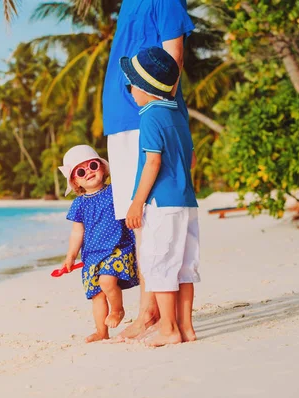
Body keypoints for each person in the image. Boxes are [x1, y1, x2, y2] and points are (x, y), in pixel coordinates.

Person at [102, 0, 195, 340]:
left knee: (148, 221)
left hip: (144, 115)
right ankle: (153, 313)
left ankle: (151, 314)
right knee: (139, 221)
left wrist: (163, 110)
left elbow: (174, 57)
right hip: (122, 119)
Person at [120, 46, 200, 346]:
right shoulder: (178, 115)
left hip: (161, 204)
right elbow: (190, 159)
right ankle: (186, 327)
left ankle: (169, 330)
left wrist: (136, 203)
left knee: (160, 266)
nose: (130, 90)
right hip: (186, 203)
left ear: (143, 88)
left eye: (131, 83)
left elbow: (152, 162)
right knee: (185, 268)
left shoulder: (150, 117)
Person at [59, 145, 139, 343]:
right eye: (81, 171)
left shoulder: (115, 192)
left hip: (118, 247)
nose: (89, 172)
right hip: (92, 255)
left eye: (93, 165)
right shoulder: (79, 204)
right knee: (96, 295)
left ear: (103, 169)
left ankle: (118, 309)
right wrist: (70, 256)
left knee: (106, 281)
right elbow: (78, 232)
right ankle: (101, 331)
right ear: (75, 181)